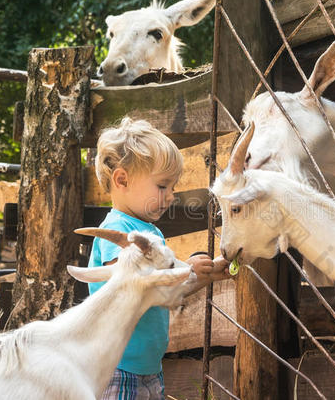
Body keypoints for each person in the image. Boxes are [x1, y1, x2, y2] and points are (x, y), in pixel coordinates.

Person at [88, 117, 230, 400]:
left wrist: (208, 273)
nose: (171, 196)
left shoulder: (149, 232)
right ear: (122, 180)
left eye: (173, 187)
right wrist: (184, 269)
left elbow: (164, 290)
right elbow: (132, 284)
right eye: (163, 186)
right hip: (118, 366)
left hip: (149, 366)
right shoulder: (117, 230)